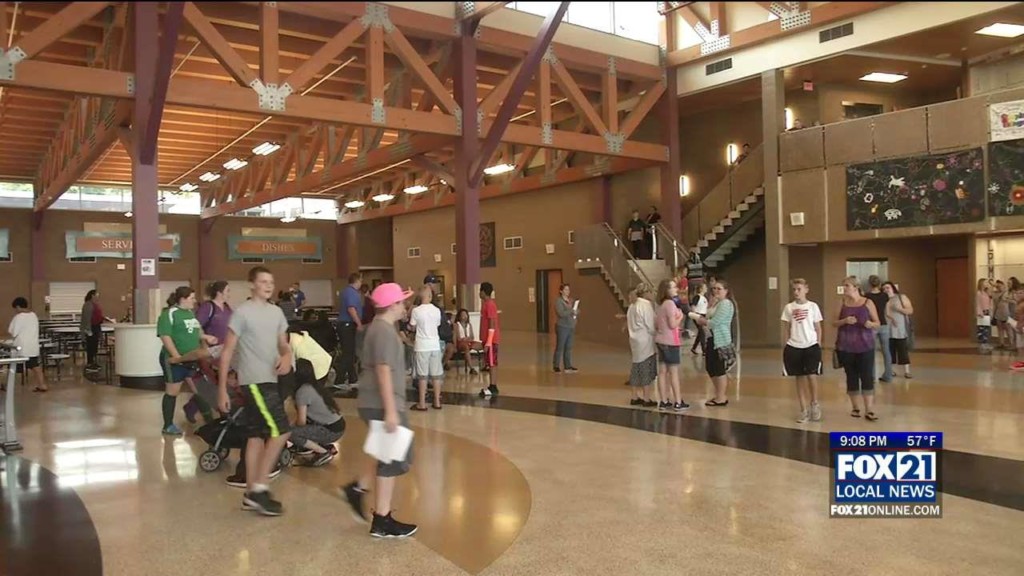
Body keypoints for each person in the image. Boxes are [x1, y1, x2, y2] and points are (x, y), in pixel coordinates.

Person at [341, 282, 418, 539]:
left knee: (385, 451)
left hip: (375, 402)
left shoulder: (380, 327)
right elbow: (383, 371)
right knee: (394, 458)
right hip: (382, 403)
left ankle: (359, 488)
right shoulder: (383, 332)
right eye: (402, 302)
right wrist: (391, 411)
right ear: (392, 305)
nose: (405, 306)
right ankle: (382, 519)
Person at [217, 266, 294, 517]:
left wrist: (286, 355)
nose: (268, 286)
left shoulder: (276, 312)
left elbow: (283, 344)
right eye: (263, 282)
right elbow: (227, 352)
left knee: (255, 435)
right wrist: (222, 390)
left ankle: (251, 492)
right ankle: (260, 488)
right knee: (281, 430)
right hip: (254, 381)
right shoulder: (242, 313)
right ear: (252, 285)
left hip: (271, 378)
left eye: (271, 282)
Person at [158, 287, 217, 436]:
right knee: (173, 391)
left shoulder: (190, 313)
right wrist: (176, 357)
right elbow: (165, 336)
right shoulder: (169, 314)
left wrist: (206, 338)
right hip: (174, 360)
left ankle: (210, 422)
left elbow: (196, 331)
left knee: (199, 389)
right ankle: (168, 425)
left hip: (191, 358)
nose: (194, 301)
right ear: (183, 299)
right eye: (192, 298)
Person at [288, 329, 344, 467]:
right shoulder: (315, 387)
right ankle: (321, 445)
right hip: (337, 426)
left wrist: (289, 427)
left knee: (290, 433)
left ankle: (323, 452)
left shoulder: (302, 392)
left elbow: (301, 422)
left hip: (330, 431)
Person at [834, 276, 881, 421]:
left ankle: (869, 409)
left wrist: (870, 324)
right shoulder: (841, 303)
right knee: (851, 376)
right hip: (846, 346)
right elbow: (834, 322)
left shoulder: (868, 302)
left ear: (856, 287)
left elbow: (878, 322)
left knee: (867, 376)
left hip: (865, 345)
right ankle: (855, 407)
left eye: (847, 285)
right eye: (844, 285)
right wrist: (844, 321)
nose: (844, 288)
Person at [780, 279, 823, 423]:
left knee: (812, 375)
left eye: (799, 289)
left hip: (811, 345)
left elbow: (818, 327)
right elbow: (786, 328)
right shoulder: (789, 307)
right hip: (794, 346)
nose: (796, 292)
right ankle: (803, 409)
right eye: (794, 289)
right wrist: (786, 344)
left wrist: (818, 343)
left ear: (806, 289)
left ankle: (814, 404)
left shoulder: (813, 306)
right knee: (799, 378)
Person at [697, 280, 736, 407]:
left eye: (719, 289)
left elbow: (715, 322)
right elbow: (708, 316)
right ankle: (719, 393)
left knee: (718, 368)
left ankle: (721, 396)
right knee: (710, 367)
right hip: (711, 338)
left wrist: (702, 321)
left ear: (726, 291)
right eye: (714, 288)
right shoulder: (716, 303)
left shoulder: (726, 303)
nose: (716, 291)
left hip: (720, 339)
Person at [654, 279, 688, 411]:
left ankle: (663, 401)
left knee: (662, 372)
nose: (676, 289)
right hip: (671, 342)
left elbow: (657, 324)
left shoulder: (660, 305)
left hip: (660, 340)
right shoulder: (670, 304)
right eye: (673, 287)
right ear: (667, 290)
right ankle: (678, 401)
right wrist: (680, 317)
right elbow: (673, 324)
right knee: (674, 373)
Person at [409, 285, 444, 410]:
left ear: (420, 297)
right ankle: (437, 402)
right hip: (435, 345)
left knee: (422, 376)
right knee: (436, 375)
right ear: (430, 296)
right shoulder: (437, 310)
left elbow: (412, 326)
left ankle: (422, 403)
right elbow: (437, 324)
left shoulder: (416, 311)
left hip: (422, 346)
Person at [626, 285, 658, 407]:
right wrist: (657, 333)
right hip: (645, 340)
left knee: (636, 368)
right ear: (646, 292)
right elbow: (650, 325)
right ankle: (646, 398)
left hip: (634, 340)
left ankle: (634, 396)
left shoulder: (632, 306)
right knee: (646, 368)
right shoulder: (645, 305)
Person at [8, 297, 46, 392]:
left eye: (15, 308)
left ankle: (9, 385)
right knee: (35, 366)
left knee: (13, 365)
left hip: (22, 347)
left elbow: (13, 332)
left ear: (18, 307)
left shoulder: (18, 317)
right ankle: (41, 384)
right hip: (33, 345)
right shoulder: (33, 315)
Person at [865, 275, 893, 383]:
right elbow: (887, 311)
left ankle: (872, 376)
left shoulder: (867, 296)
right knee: (886, 351)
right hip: (883, 324)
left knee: (871, 351)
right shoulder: (884, 296)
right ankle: (888, 375)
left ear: (869, 284)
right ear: (880, 284)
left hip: (872, 324)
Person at [883, 282, 914, 379]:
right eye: (884, 289)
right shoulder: (883, 300)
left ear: (892, 288)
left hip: (900, 329)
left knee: (903, 350)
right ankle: (891, 370)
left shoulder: (901, 297)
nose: (886, 290)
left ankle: (907, 371)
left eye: (887, 287)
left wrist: (899, 309)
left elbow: (910, 311)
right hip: (887, 329)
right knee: (890, 351)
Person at [339, 273, 364, 384]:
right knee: (348, 353)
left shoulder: (346, 291)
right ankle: (339, 379)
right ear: (357, 281)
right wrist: (359, 323)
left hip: (346, 324)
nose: (361, 283)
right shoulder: (351, 292)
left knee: (350, 353)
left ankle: (352, 377)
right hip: (347, 324)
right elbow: (351, 309)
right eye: (361, 281)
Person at [80, 290, 113, 371]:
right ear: (92, 295)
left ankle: (93, 362)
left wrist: (105, 319)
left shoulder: (95, 304)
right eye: (96, 295)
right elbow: (87, 318)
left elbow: (98, 315)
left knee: (94, 346)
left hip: (96, 327)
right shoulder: (88, 305)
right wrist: (88, 331)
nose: (98, 297)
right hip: (91, 328)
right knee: (90, 346)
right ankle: (90, 363)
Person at [478, 282, 501, 398]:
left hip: (491, 340)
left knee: (492, 363)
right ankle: (492, 385)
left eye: (480, 291)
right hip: (487, 339)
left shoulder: (490, 305)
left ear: (483, 292)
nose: (479, 293)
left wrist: (488, 341)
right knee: (490, 362)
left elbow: (492, 323)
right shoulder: (485, 304)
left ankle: (493, 385)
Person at [553, 283, 578, 373]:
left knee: (569, 347)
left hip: (571, 326)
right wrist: (571, 311)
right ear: (561, 291)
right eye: (566, 289)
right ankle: (556, 365)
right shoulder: (559, 301)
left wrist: (576, 311)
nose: (568, 291)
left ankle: (568, 366)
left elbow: (576, 310)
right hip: (562, 327)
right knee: (560, 346)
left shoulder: (571, 300)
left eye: (568, 289)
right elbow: (561, 313)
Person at [454, 308, 480, 375]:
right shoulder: (456, 325)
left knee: (482, 345)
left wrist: (468, 339)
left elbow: (472, 336)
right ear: (459, 316)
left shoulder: (469, 324)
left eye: (466, 315)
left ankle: (486, 365)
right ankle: (471, 368)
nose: (464, 316)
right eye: (463, 315)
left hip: (469, 341)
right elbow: (458, 338)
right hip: (461, 343)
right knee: (466, 347)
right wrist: (464, 339)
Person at [689, 282, 708, 355]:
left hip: (703, 315)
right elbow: (693, 307)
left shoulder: (704, 298)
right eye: (705, 287)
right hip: (698, 315)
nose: (706, 288)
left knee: (700, 332)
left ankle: (694, 348)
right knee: (702, 332)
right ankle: (704, 350)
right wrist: (696, 317)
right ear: (701, 289)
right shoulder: (697, 297)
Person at [976, 278, 993, 353]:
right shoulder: (979, 293)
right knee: (981, 329)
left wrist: (991, 312)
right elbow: (978, 303)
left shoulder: (986, 293)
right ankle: (982, 343)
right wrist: (979, 312)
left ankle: (986, 343)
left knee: (986, 328)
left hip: (987, 311)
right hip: (982, 312)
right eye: (985, 282)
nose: (987, 284)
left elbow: (990, 302)